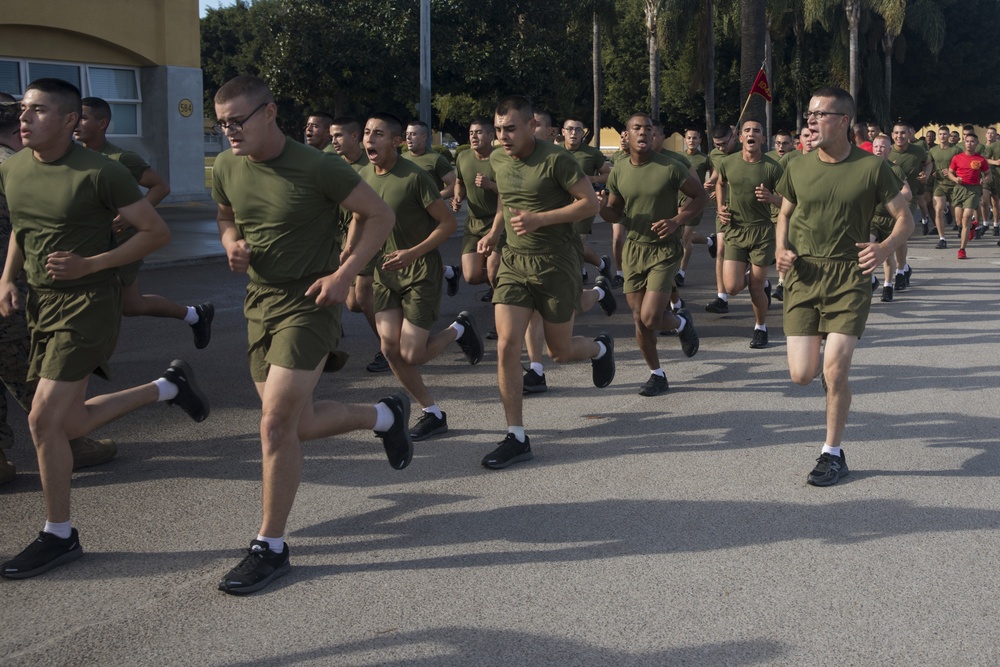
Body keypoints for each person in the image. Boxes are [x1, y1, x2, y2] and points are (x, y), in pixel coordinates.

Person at [0, 78, 209, 579]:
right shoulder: (14, 169)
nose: (24, 119)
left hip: (87, 306)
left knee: (43, 421)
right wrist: (8, 276)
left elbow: (155, 232)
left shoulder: (100, 172)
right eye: (22, 110)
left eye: (38, 111)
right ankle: (167, 386)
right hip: (40, 307)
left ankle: (59, 533)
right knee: (68, 424)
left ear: (70, 121)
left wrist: (93, 265)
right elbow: (21, 232)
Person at [210, 76, 409, 595]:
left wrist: (346, 275)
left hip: (312, 301)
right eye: (222, 122)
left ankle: (270, 547)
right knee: (295, 426)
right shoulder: (229, 166)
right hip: (261, 302)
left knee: (275, 425)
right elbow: (226, 215)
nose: (229, 132)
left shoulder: (319, 166)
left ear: (269, 112)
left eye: (238, 121)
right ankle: (383, 415)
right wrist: (232, 243)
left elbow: (379, 215)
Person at [775, 86, 912, 487]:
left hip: (848, 276)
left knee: (835, 369)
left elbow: (906, 220)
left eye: (821, 114)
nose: (812, 121)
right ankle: (829, 378)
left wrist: (883, 246)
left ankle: (832, 453)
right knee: (803, 374)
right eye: (810, 114)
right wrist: (781, 250)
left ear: (844, 121)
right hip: (802, 275)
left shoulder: (872, 168)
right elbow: (784, 214)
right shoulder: (796, 166)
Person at [477, 95, 615, 468]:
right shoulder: (498, 159)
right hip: (514, 263)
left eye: (510, 129)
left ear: (531, 127)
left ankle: (600, 349)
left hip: (556, 262)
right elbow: (507, 199)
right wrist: (494, 233)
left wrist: (541, 219)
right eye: (498, 129)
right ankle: (516, 435)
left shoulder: (557, 160)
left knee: (559, 351)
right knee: (507, 345)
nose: (502, 137)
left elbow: (590, 205)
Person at [360, 112, 484, 443]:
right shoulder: (363, 177)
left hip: (419, 272)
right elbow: (360, 217)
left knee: (412, 353)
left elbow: (446, 224)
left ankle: (459, 329)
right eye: (367, 133)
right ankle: (432, 411)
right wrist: (348, 250)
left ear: (396, 141)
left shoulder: (414, 177)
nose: (370, 139)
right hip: (386, 273)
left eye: (379, 134)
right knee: (389, 349)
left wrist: (412, 252)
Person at [75, 97, 214, 348]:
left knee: (103, 300)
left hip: (120, 243)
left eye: (83, 117)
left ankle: (84, 355)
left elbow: (160, 186)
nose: (76, 122)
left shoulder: (120, 158)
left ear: (102, 123)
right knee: (131, 305)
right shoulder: (71, 157)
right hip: (90, 242)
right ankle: (195, 314)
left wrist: (131, 217)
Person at [600, 112, 707, 396]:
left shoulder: (670, 167)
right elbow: (615, 212)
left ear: (655, 135)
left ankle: (681, 322)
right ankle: (656, 374)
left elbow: (701, 197)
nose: (643, 132)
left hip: (664, 250)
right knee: (638, 318)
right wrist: (598, 206)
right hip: (634, 249)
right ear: (627, 134)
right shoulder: (619, 170)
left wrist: (677, 220)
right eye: (637, 128)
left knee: (649, 317)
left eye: (648, 128)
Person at [715, 118, 783, 348]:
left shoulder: (772, 167)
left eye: (757, 130)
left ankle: (760, 328)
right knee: (732, 287)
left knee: (755, 287)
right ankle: (761, 283)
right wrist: (720, 207)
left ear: (763, 139)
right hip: (735, 229)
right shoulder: (728, 162)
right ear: (740, 137)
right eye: (747, 130)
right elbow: (720, 183)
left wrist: (772, 198)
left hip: (762, 233)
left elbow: (791, 202)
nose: (752, 133)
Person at [329, 115, 387, 373]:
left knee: (363, 293)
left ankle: (388, 349)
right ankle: (395, 326)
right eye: (332, 137)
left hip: (369, 237)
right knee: (353, 302)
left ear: (355, 137)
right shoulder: (333, 165)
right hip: (344, 239)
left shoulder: (371, 164)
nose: (334, 141)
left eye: (338, 136)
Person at [402, 120, 459, 296]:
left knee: (422, 254)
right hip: (406, 216)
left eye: (413, 134)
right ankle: (450, 272)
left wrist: (433, 199)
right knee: (413, 255)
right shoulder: (402, 159)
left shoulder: (436, 159)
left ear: (424, 137)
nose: (409, 138)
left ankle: (424, 295)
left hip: (430, 216)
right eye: (407, 134)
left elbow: (453, 184)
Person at [452, 118, 500, 294]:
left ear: (490, 135)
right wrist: (458, 196)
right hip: (473, 224)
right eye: (471, 133)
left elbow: (511, 192)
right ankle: (508, 280)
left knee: (494, 273)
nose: (473, 136)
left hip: (496, 223)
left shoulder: (500, 159)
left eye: (478, 132)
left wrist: (491, 185)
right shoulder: (463, 157)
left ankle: (504, 312)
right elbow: (459, 183)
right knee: (471, 276)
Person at [562, 116, 612, 284]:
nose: (573, 133)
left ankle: (575, 281)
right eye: (570, 129)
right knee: (566, 242)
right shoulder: (555, 153)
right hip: (560, 204)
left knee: (577, 242)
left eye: (578, 130)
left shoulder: (592, 153)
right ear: (563, 132)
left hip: (584, 203)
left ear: (582, 133)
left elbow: (607, 173)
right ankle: (600, 264)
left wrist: (591, 179)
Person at [887, 121, 930, 290]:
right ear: (892, 135)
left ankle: (899, 271)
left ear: (909, 134)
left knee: (901, 235)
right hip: (889, 199)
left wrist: (925, 174)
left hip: (909, 198)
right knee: (893, 235)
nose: (900, 136)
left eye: (903, 133)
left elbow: (928, 162)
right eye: (896, 133)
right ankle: (904, 267)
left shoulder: (918, 151)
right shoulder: (888, 152)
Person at [870, 134, 912, 301]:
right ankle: (871, 280)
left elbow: (907, 194)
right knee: (865, 248)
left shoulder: (894, 170)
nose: (879, 149)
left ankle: (888, 285)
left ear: (889, 150)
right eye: (876, 146)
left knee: (887, 255)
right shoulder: (867, 168)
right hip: (872, 218)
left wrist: (888, 198)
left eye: (882, 147)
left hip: (890, 218)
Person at [703, 123, 738, 314]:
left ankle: (759, 281)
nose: (721, 148)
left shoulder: (744, 151)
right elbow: (719, 171)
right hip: (724, 208)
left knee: (743, 255)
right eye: (717, 145)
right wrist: (712, 182)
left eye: (724, 143)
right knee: (721, 249)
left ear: (734, 137)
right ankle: (721, 297)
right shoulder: (715, 154)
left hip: (745, 210)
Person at [948, 133, 990, 259]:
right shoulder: (957, 158)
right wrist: (955, 179)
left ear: (976, 144)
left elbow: (988, 174)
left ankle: (962, 249)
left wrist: (985, 180)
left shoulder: (980, 160)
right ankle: (972, 226)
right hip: (959, 189)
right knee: (959, 221)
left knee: (966, 218)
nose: (969, 144)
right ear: (964, 142)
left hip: (973, 190)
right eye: (967, 141)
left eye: (972, 141)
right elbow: (950, 172)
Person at [929, 125, 960, 248]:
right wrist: (932, 173)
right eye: (940, 134)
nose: (942, 136)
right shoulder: (933, 151)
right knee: (938, 210)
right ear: (938, 136)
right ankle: (942, 238)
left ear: (948, 136)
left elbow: (962, 165)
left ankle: (961, 227)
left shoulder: (956, 150)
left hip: (953, 184)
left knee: (957, 216)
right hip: (939, 184)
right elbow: (928, 165)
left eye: (945, 134)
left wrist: (953, 172)